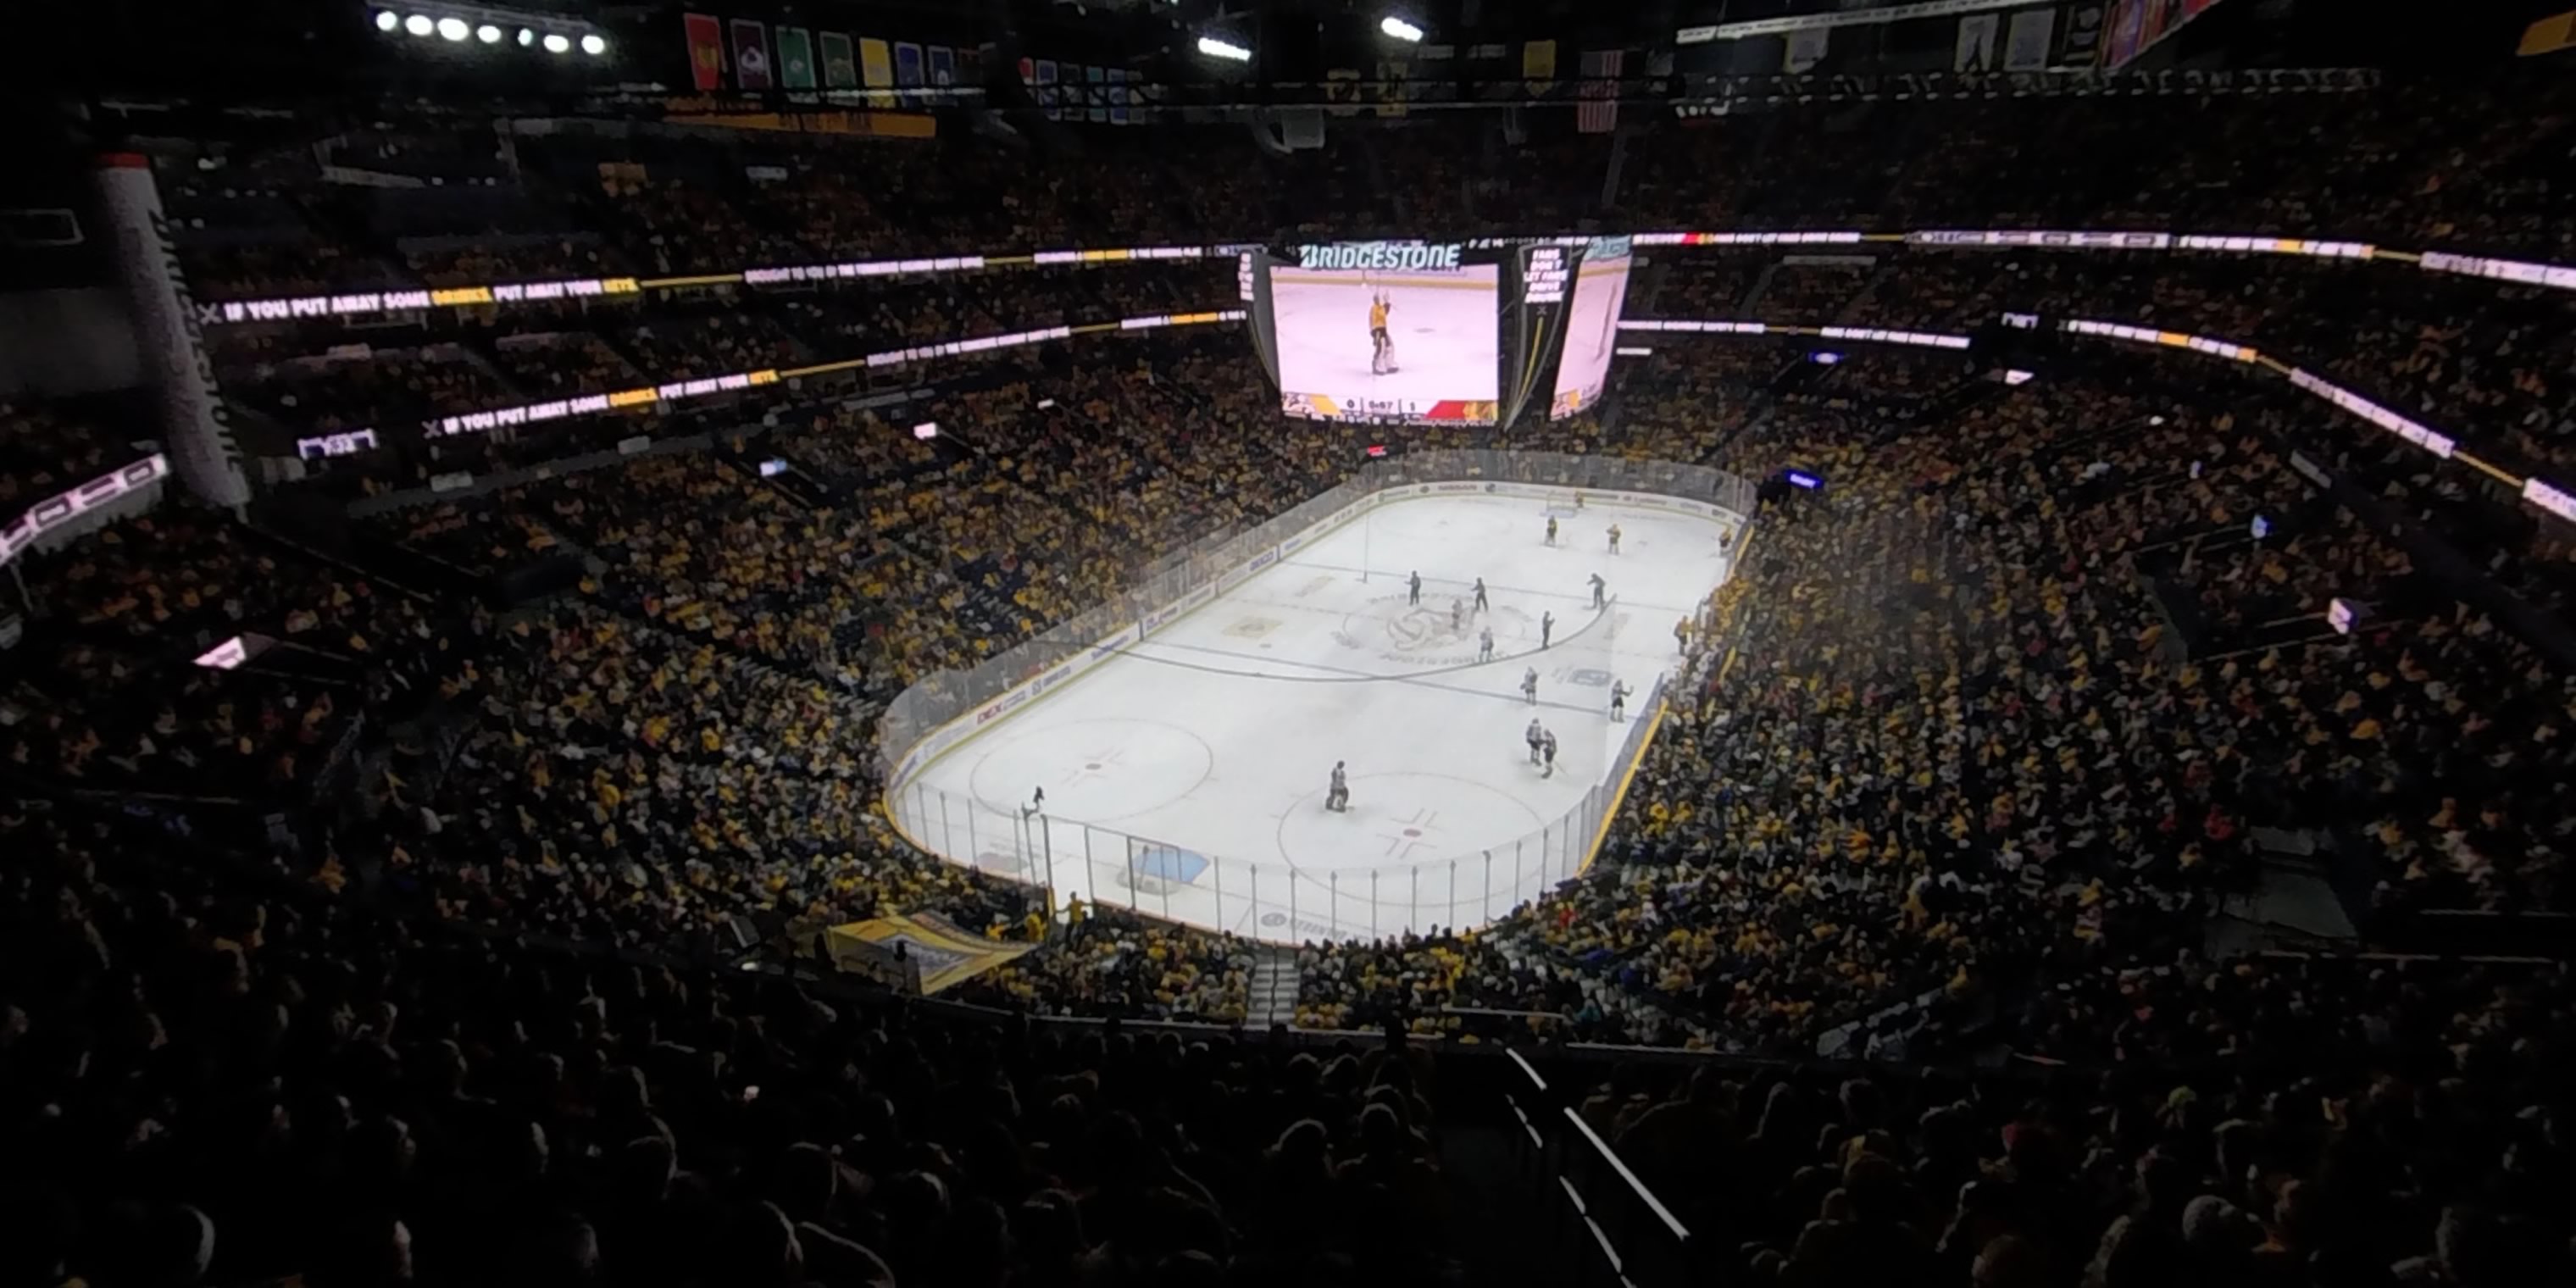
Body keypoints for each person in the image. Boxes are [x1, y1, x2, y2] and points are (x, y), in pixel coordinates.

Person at [1369, 293, 1394, 374]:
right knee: (1381, 347)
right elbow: (1380, 314)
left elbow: (1384, 311)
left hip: (1383, 330)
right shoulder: (1374, 309)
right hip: (1377, 331)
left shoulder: (1380, 308)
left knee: (1389, 345)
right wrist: (1376, 337)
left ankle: (1388, 363)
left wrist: (1387, 302)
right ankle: (1377, 365)